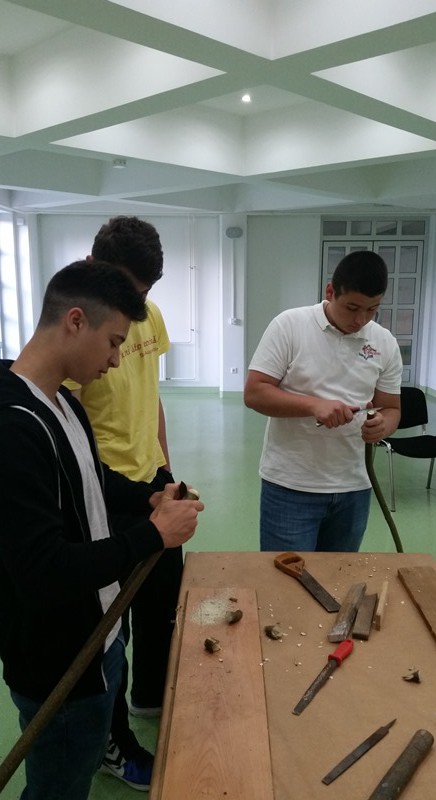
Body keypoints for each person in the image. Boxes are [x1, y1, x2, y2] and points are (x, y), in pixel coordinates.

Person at [0, 260, 203, 800]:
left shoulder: (63, 401)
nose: (116, 360)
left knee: (81, 759)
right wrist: (152, 535)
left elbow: (92, 476)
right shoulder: (14, 427)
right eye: (113, 342)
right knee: (60, 783)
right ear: (75, 321)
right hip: (59, 660)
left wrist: (147, 498)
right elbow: (43, 571)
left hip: (99, 634)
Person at [65, 216, 182, 790]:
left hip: (150, 483)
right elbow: (66, 425)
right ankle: (113, 744)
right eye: (128, 291)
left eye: (144, 293)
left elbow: (151, 396)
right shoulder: (78, 330)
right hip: (102, 494)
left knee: (162, 604)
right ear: (94, 267)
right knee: (111, 633)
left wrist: (165, 469)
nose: (135, 306)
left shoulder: (147, 315)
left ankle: (153, 700)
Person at [244, 250, 402, 553]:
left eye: (372, 309)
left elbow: (391, 408)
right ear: (330, 292)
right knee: (287, 577)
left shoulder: (384, 342)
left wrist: (384, 425)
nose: (361, 319)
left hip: (354, 487)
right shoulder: (289, 325)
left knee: (338, 576)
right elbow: (255, 392)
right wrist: (314, 405)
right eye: (352, 307)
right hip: (291, 485)